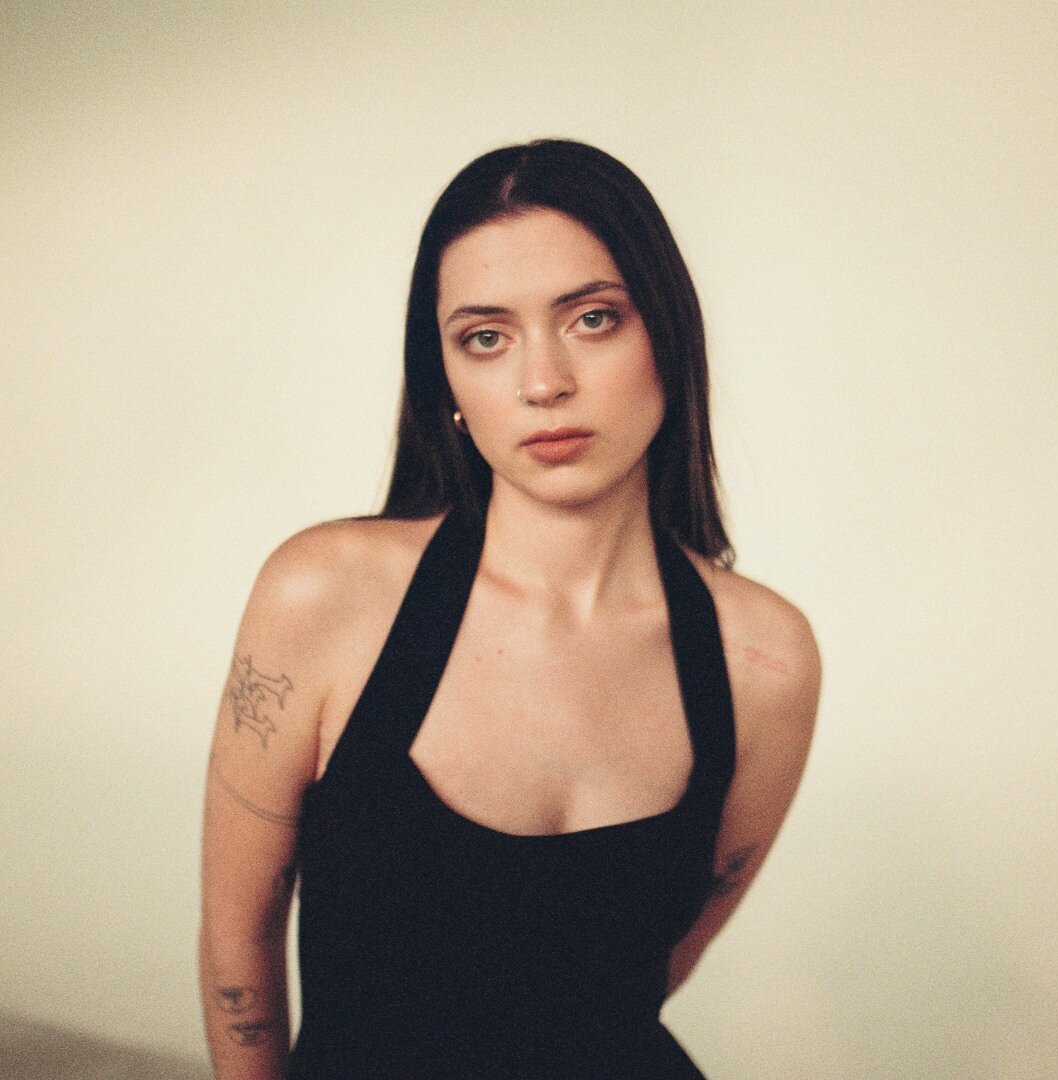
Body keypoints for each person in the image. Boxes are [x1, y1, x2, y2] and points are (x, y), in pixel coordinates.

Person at [198, 137, 821, 1079]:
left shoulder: (763, 658)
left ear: (668, 335)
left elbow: (654, 968)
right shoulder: (325, 595)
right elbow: (237, 940)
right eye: (486, 337)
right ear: (446, 381)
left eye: (594, 319)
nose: (543, 383)